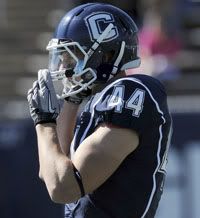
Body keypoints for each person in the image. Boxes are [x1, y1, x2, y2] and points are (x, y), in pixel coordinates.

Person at [27, 3, 172, 218]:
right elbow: (51, 170)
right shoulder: (98, 102)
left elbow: (63, 187)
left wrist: (44, 121)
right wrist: (72, 100)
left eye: (71, 56)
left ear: (106, 56)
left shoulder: (132, 92)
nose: (61, 68)